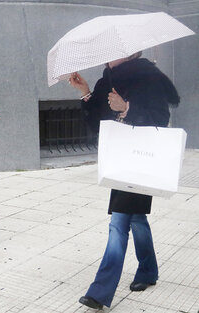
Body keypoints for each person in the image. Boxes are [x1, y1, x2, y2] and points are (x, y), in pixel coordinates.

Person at [68, 52, 180, 310]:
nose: (107, 57)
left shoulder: (147, 77)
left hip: (141, 158)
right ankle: (148, 270)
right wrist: (85, 91)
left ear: (131, 54)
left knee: (118, 222)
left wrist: (127, 108)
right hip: (120, 158)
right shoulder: (105, 81)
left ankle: (100, 291)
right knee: (137, 218)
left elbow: (161, 118)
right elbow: (96, 124)